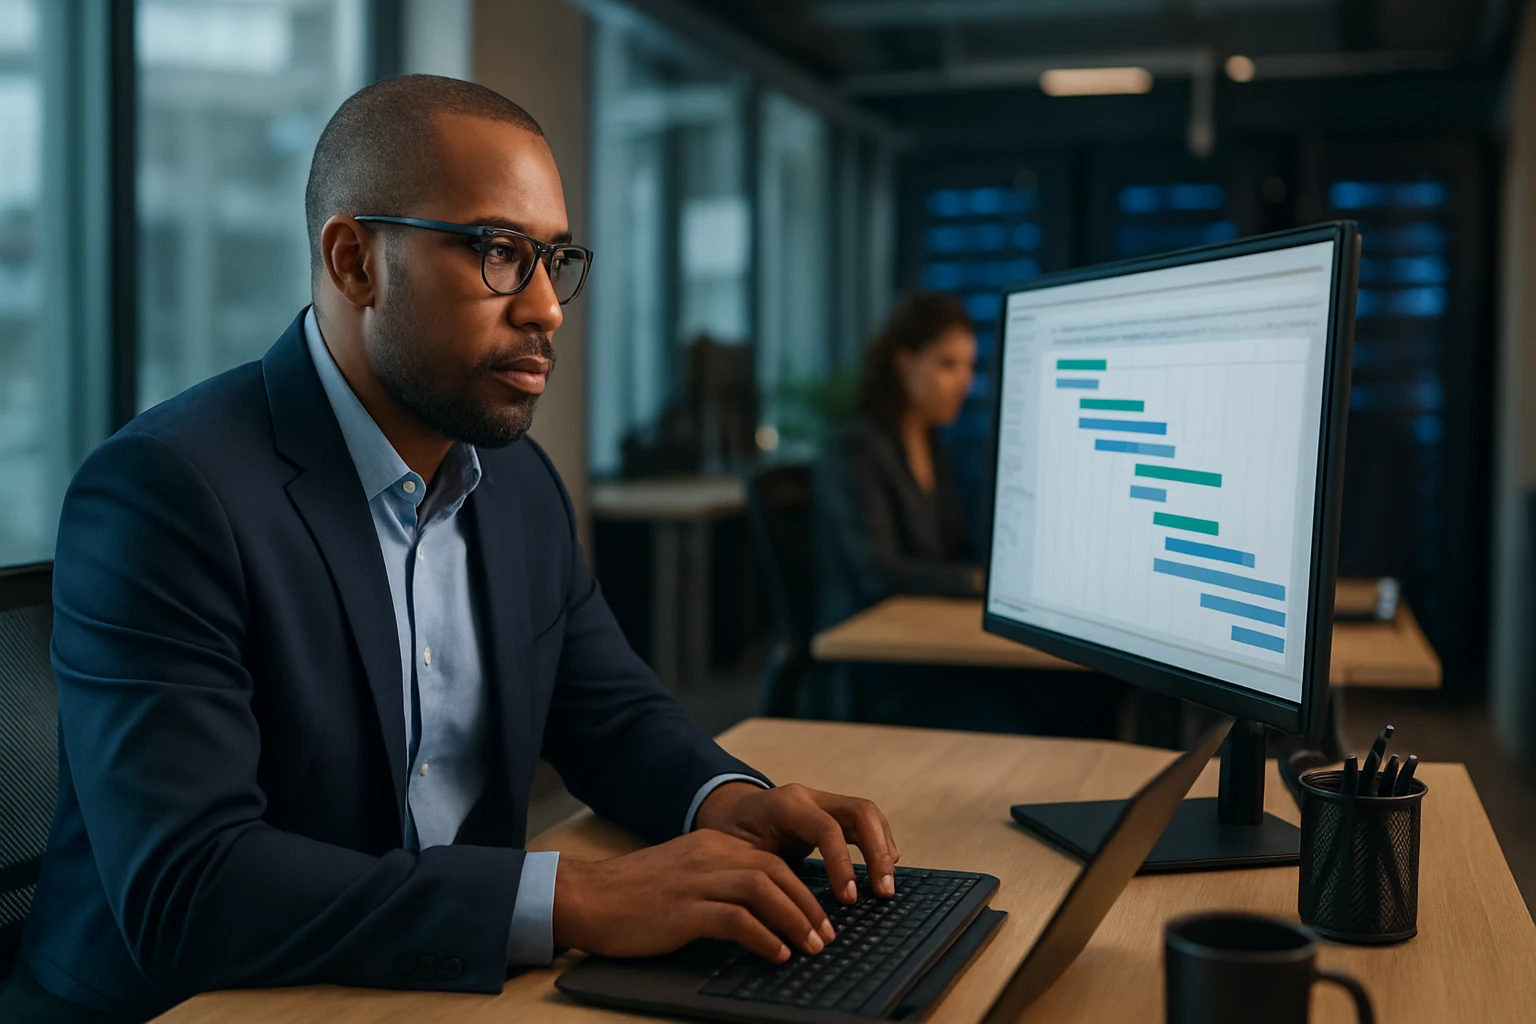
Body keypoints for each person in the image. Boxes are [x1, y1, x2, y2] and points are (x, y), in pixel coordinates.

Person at [4, 76, 898, 1024]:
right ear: (355, 262)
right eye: (499, 252)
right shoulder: (165, 492)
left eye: (555, 258)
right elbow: (190, 885)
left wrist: (719, 799)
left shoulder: (515, 484)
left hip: (424, 986)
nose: (548, 307)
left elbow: (610, 715)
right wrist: (576, 898)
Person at [814, 292, 984, 637]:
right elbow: (878, 574)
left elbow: (952, 550)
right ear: (905, 363)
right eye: (948, 364)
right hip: (869, 645)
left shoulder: (933, 445)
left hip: (924, 628)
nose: (966, 383)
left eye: (970, 367)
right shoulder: (855, 450)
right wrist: (973, 580)